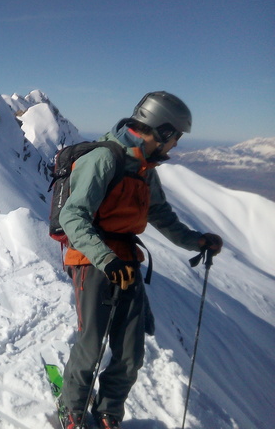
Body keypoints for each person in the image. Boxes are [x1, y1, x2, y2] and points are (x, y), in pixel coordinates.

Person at [57, 91, 223, 429]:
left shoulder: (145, 169)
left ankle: (108, 412)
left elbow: (160, 215)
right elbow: (73, 217)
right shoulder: (105, 159)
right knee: (91, 344)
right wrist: (106, 259)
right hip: (92, 259)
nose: (176, 144)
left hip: (125, 262)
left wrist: (197, 241)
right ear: (161, 131)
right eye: (175, 136)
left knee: (131, 353)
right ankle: (71, 409)